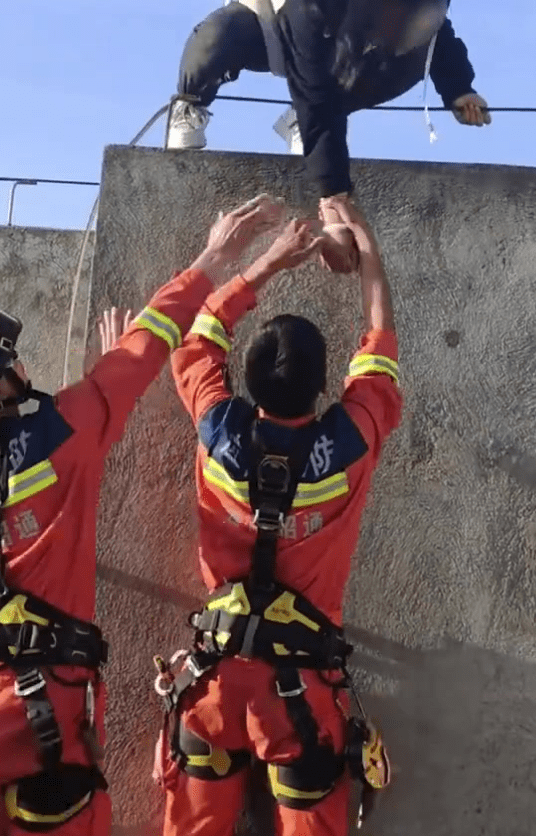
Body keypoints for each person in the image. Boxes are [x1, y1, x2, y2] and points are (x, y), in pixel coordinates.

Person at [0, 195, 285, 836]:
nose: (16, 365)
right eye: (3, 364)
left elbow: (2, 471)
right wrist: (216, 255)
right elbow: (152, 341)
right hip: (41, 713)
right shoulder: (69, 434)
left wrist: (100, 375)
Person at [154, 195, 403, 834]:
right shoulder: (350, 439)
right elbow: (378, 342)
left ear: (248, 380)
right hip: (301, 698)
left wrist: (266, 261)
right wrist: (365, 245)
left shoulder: (218, 428)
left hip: (211, 687)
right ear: (326, 388)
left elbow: (200, 333)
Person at [167, 0, 491, 198]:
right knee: (219, 35)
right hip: (273, 18)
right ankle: (189, 105)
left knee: (414, 55)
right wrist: (333, 190)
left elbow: (440, 39)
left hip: (345, 44)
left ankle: (299, 121)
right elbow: (314, 87)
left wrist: (459, 89)